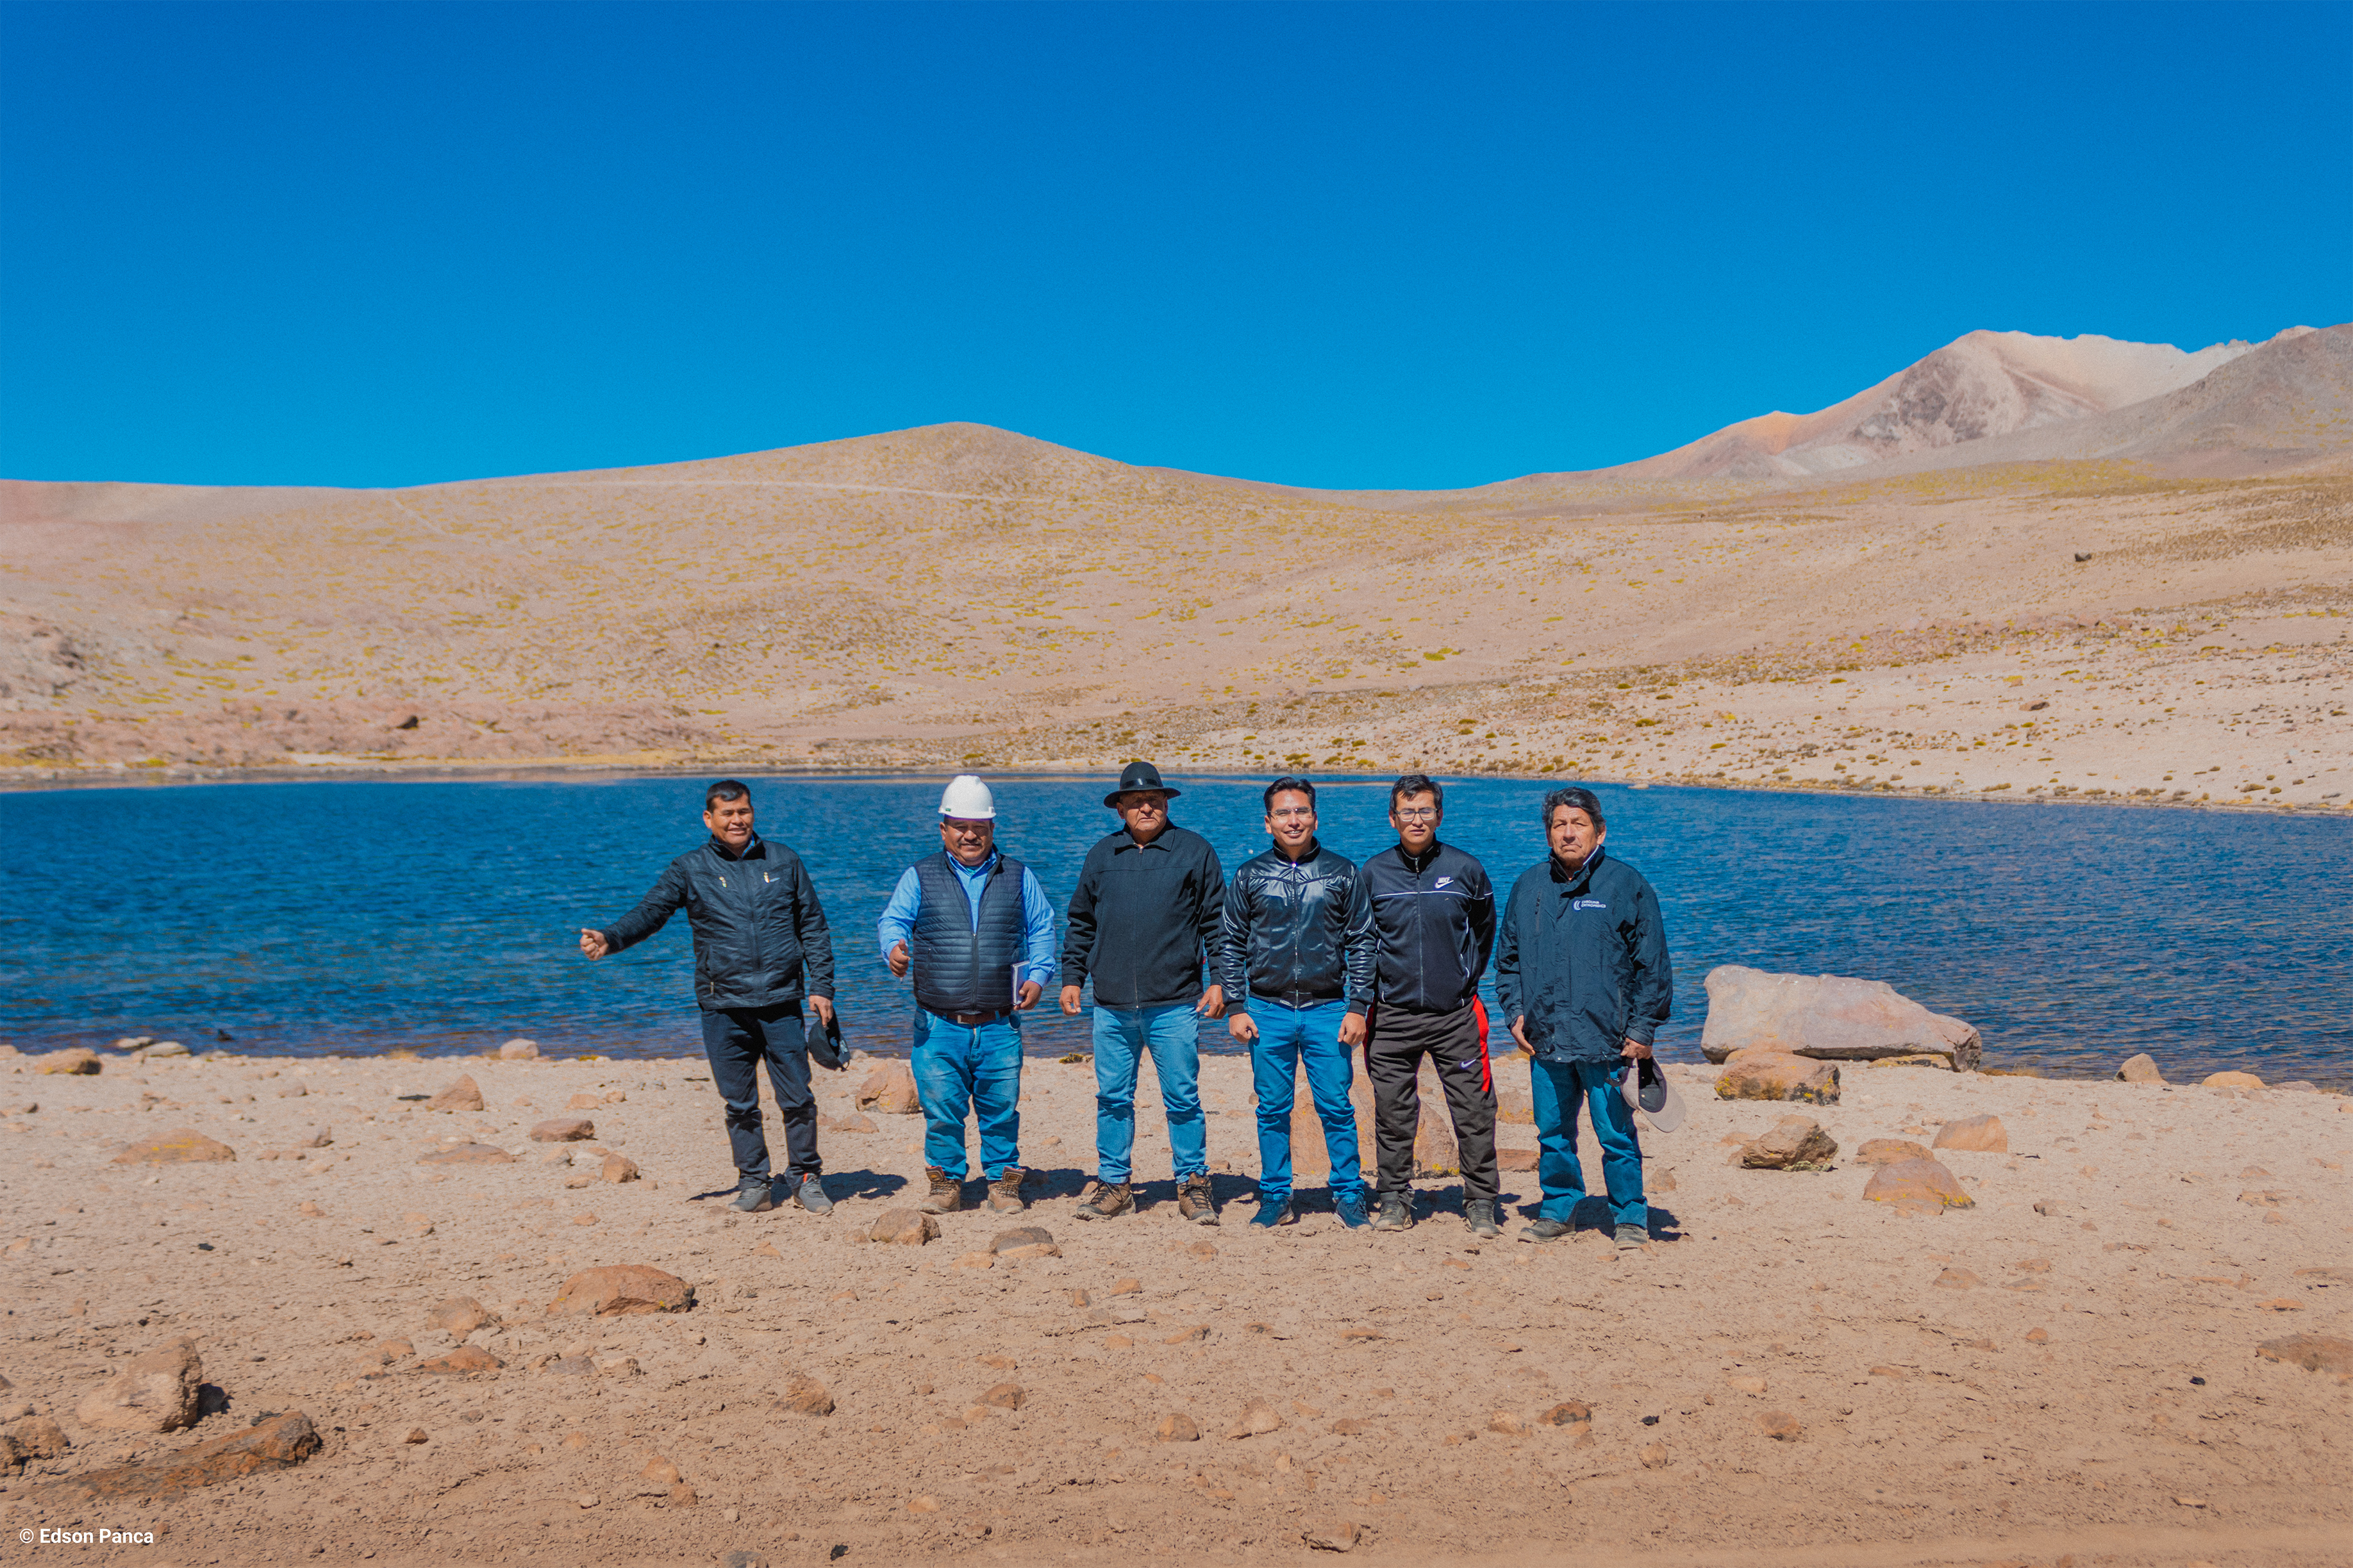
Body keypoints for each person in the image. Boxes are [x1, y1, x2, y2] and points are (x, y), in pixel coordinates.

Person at [580, 779, 840, 1215]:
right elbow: (652, 911)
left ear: (752, 813)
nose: (737, 820)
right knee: (739, 1104)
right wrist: (611, 938)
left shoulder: (783, 860)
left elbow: (813, 925)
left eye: (743, 812)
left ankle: (805, 1177)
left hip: (781, 1002)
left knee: (798, 1099)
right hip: (723, 1007)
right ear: (709, 818)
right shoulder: (690, 867)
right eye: (727, 813)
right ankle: (754, 1181)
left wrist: (822, 987)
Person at [1494, 786, 1672, 1250]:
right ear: (1548, 832)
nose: (1568, 832)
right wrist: (1513, 1013)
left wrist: (1641, 1030)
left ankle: (1630, 1217)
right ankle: (1558, 1209)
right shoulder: (1529, 885)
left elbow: (1651, 965)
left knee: (1615, 1134)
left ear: (1599, 830)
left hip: (1607, 1038)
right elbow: (1507, 959)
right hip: (1545, 1038)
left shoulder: (1625, 884)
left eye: (1578, 823)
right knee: (1552, 1133)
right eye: (1558, 824)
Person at [877, 774, 1059, 1216]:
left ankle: (1002, 1183)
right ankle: (945, 1185)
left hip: (999, 1022)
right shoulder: (919, 875)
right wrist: (894, 949)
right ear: (944, 829)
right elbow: (892, 920)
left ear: (992, 828)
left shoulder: (1018, 874)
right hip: (939, 1024)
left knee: (1000, 1111)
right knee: (942, 1113)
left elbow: (1043, 928)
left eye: (978, 825)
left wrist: (1039, 976)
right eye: (959, 825)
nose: (969, 834)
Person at [1060, 761, 1227, 1224]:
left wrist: (1221, 984)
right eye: (1135, 801)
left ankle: (1193, 1183)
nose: (1145, 806)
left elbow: (1217, 922)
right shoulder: (1101, 855)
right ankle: (1115, 1184)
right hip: (1111, 1004)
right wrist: (1072, 976)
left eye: (1153, 799)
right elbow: (1081, 922)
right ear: (1120, 809)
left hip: (1174, 1001)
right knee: (1112, 1097)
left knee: (1182, 1098)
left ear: (1166, 803)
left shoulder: (1193, 850)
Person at [1215, 777, 1374, 1228]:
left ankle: (1347, 1193)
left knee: (1337, 1106)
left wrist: (1358, 1005)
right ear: (1268, 822)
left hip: (1328, 1009)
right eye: (1283, 813)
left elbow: (1363, 940)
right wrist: (1235, 1004)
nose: (1293, 820)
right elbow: (1229, 941)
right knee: (1271, 1108)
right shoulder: (1249, 874)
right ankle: (1275, 1195)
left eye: (1301, 811)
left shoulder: (1342, 872)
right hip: (1267, 1008)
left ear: (1315, 817)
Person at [1347, 773, 1501, 1236]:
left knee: (1473, 1111)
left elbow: (1483, 932)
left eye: (1425, 810)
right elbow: (1358, 941)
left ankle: (1481, 1202)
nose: (1417, 819)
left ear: (1439, 814)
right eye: (1407, 812)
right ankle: (1394, 1199)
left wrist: (1462, 981)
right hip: (1391, 1015)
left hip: (1455, 1015)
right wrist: (1364, 997)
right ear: (1392, 818)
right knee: (1393, 1114)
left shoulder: (1466, 869)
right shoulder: (1372, 874)